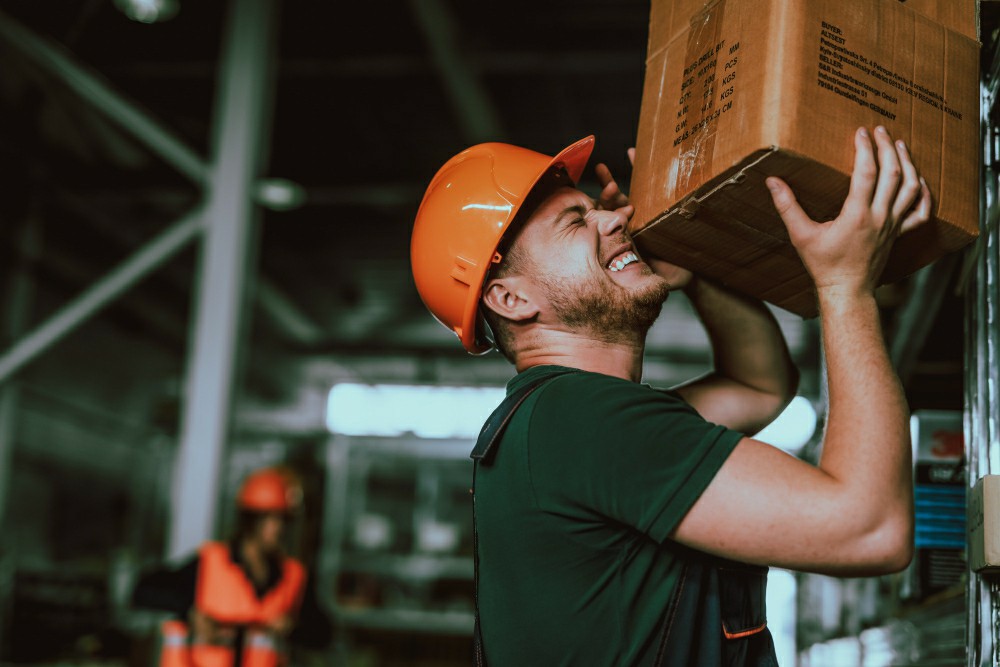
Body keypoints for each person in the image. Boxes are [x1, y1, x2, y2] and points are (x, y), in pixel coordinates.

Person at [409, 126, 929, 665]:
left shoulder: (556, 420)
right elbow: (871, 529)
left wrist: (692, 268)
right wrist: (846, 286)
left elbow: (760, 387)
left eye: (596, 209)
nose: (615, 219)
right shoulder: (580, 420)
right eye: (575, 223)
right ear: (510, 297)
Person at [132, 466, 332, 666]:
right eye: (271, 518)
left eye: (284, 520)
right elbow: (144, 590)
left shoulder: (292, 576)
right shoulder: (210, 562)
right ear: (251, 520)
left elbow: (323, 634)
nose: (279, 529)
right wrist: (191, 612)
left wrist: (293, 628)